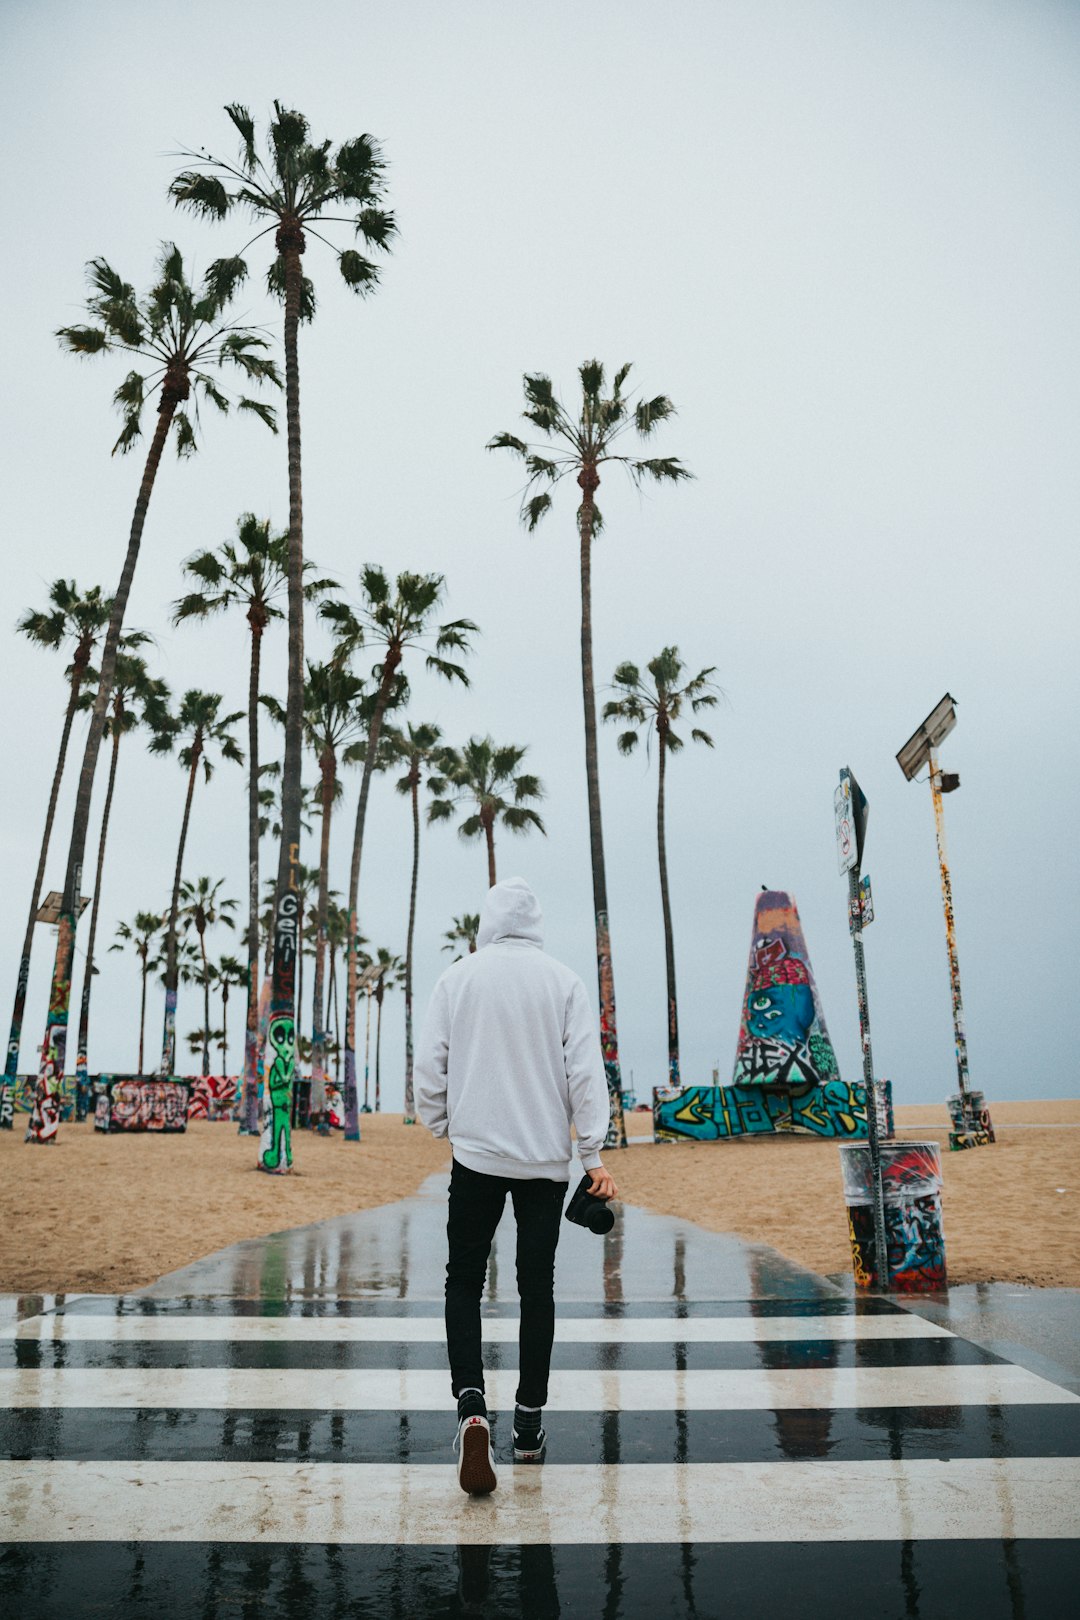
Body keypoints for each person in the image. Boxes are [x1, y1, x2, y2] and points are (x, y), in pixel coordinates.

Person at [415, 876, 618, 1495]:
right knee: (537, 1288)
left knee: (464, 1280)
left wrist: (442, 1122)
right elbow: (585, 1071)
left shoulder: (459, 978)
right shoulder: (563, 982)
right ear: (536, 923)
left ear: (487, 920)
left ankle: (472, 1408)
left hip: (476, 1157)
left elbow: (431, 1063)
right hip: (543, 1166)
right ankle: (528, 1425)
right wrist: (593, 1153)